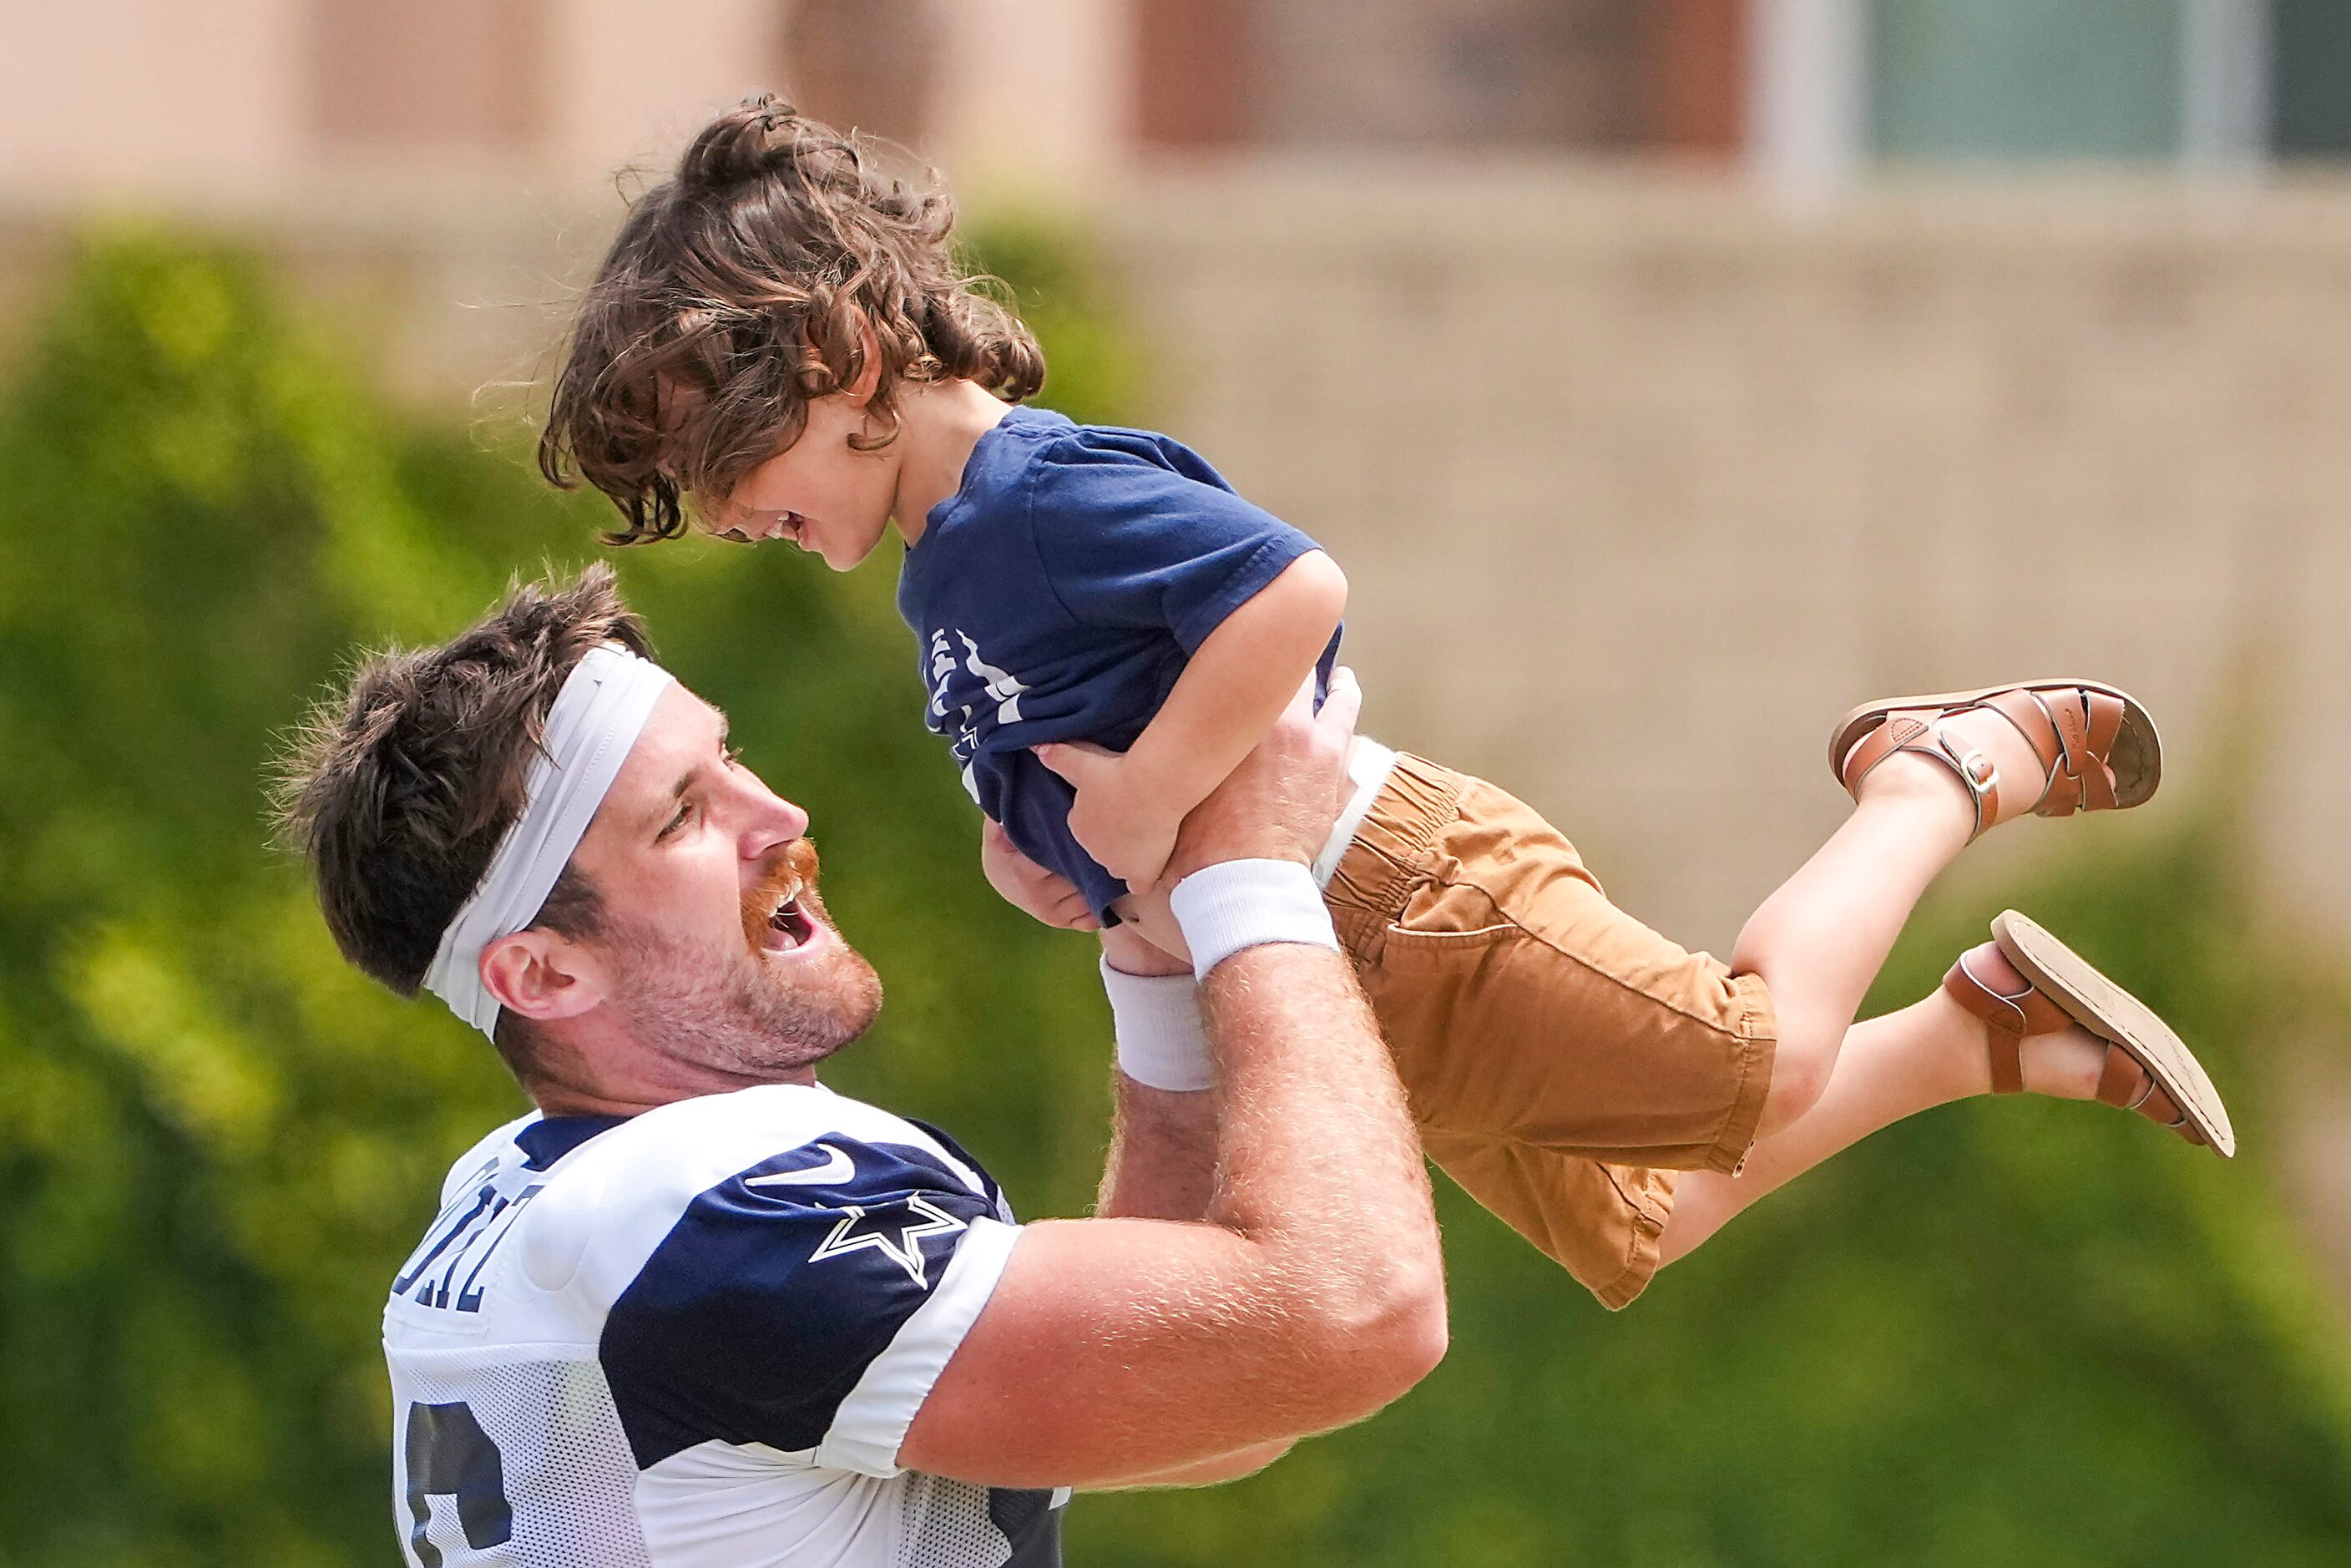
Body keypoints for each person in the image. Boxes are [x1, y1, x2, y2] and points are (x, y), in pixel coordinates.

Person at [537, 96, 2236, 1312]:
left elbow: (1291, 594)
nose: (727, 513)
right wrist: (1038, 857)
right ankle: (1979, 1033)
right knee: (1631, 1230)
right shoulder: (940, 566)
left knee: (1760, 1055)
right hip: (1318, 968)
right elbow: (1059, 765)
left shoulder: (1026, 498)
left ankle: (1935, 770)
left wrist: (1149, 802)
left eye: (721, 459)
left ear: (835, 352)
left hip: (1399, 895)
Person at [275, 566, 1445, 1566]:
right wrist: (1253, 873)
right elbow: (1358, 1310)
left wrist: (1149, 959)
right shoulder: (720, 1217)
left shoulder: (539, 1190)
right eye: (684, 815)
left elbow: (1211, 1400)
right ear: (542, 973)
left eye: (728, 756)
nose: (776, 813)